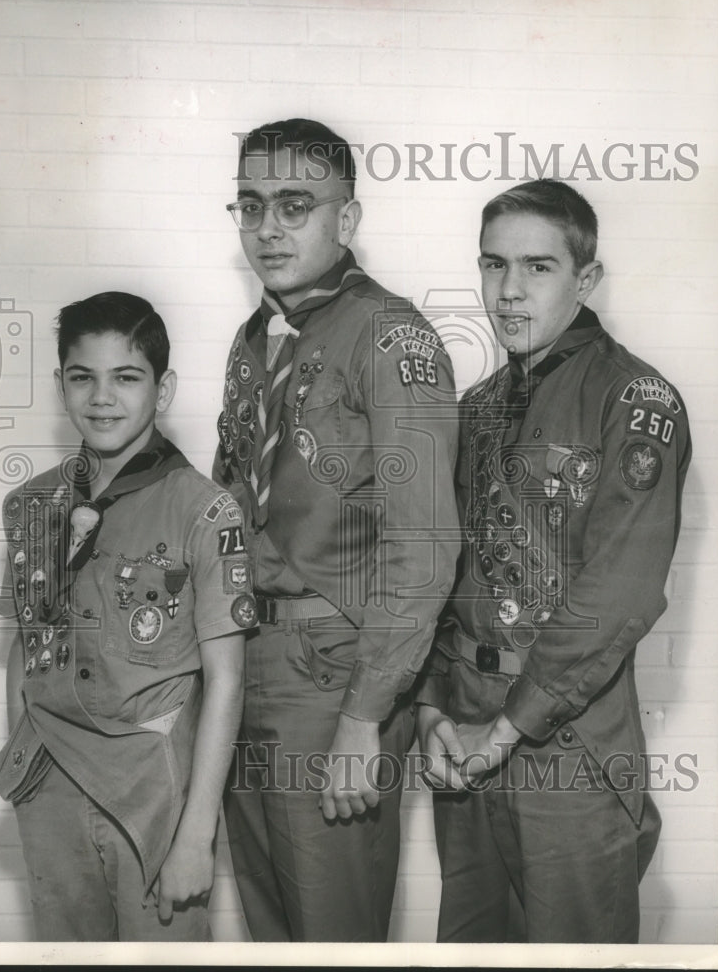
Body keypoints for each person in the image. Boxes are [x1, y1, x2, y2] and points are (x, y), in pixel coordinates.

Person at [416, 179, 692, 943]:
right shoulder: (474, 409)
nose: (508, 291)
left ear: (586, 278)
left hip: (565, 740)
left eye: (537, 267)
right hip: (462, 734)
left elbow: (620, 593)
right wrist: (433, 706)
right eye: (492, 264)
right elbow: (444, 572)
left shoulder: (635, 401)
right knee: (470, 950)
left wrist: (505, 730)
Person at [213, 118, 460, 942]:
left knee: (333, 931)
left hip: (333, 682)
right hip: (246, 668)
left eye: (295, 204)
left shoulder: (389, 337)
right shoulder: (256, 342)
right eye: (250, 206)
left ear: (346, 221)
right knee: (270, 927)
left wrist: (365, 717)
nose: (268, 227)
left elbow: (425, 548)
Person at [0, 292, 254, 941]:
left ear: (162, 391)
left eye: (126, 377)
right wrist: (23, 763)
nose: (102, 397)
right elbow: (27, 643)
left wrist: (197, 833)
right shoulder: (33, 506)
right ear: (60, 384)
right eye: (83, 377)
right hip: (50, 788)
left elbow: (227, 680)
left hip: (152, 798)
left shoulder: (205, 511)